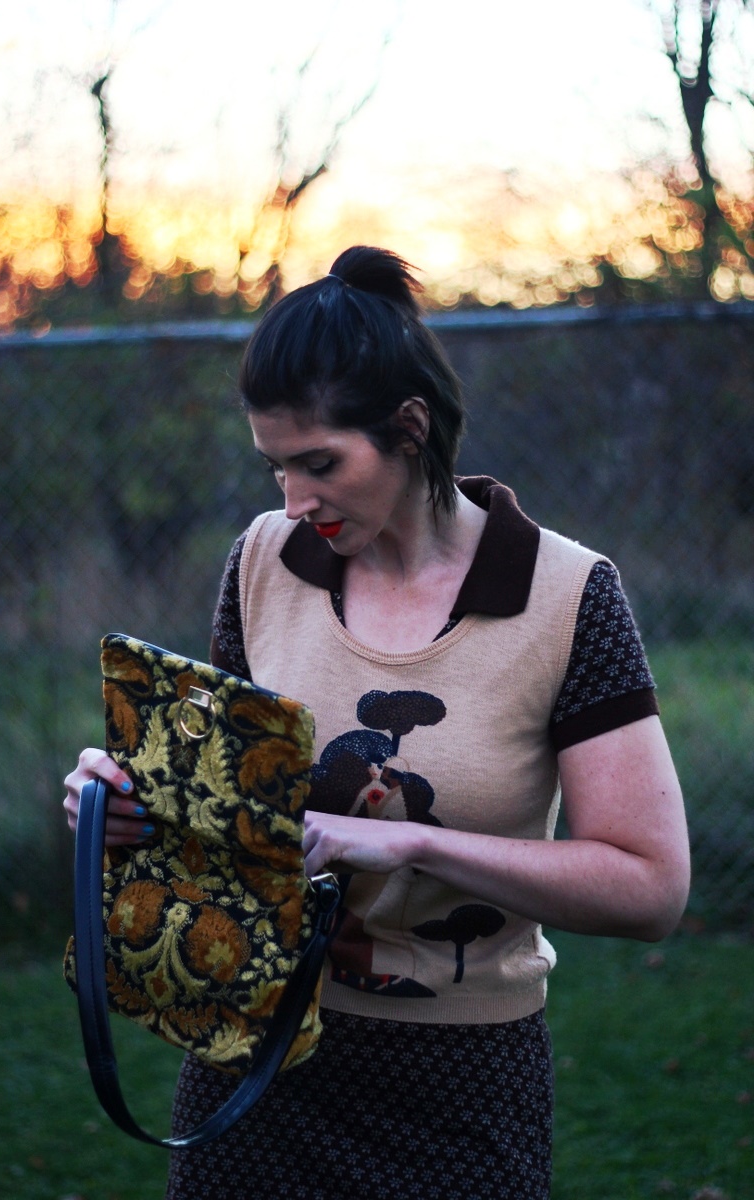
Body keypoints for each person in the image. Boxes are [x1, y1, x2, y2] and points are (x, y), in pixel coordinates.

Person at [64, 246, 691, 1200]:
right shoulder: (262, 563)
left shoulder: (569, 596)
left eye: (320, 464)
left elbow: (649, 888)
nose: (293, 502)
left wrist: (404, 843)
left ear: (409, 428)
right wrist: (128, 812)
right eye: (276, 468)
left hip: (461, 1088)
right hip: (255, 1058)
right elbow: (242, 822)